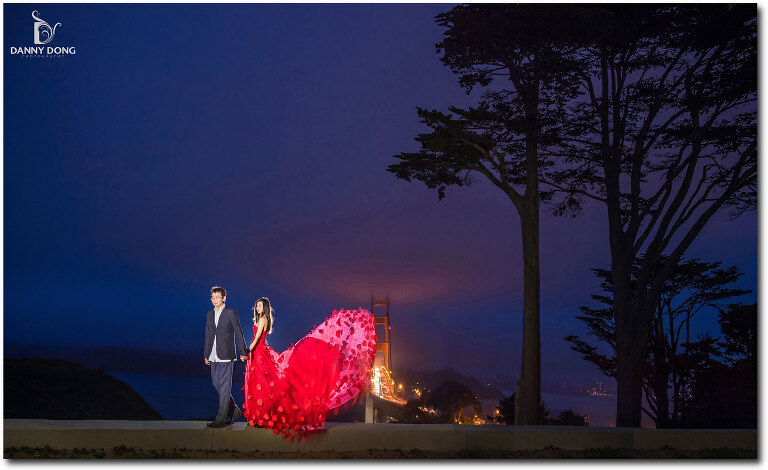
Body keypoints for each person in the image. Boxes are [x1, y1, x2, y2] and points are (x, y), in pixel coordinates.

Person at [243, 299, 377, 438]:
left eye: (260, 306)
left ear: (265, 308)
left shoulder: (263, 318)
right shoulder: (261, 319)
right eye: (257, 306)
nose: (258, 308)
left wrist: (246, 351)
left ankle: (261, 418)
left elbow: (258, 338)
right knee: (261, 384)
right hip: (258, 352)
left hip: (258, 352)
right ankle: (259, 418)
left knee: (262, 384)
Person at [203, 286, 249, 428]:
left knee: (225, 388)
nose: (215, 300)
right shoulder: (210, 314)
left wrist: (243, 351)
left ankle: (221, 418)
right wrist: (206, 354)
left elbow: (238, 332)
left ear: (224, 298)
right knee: (217, 384)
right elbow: (208, 334)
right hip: (213, 355)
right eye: (212, 297)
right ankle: (234, 409)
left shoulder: (230, 312)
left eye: (217, 297)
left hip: (226, 355)